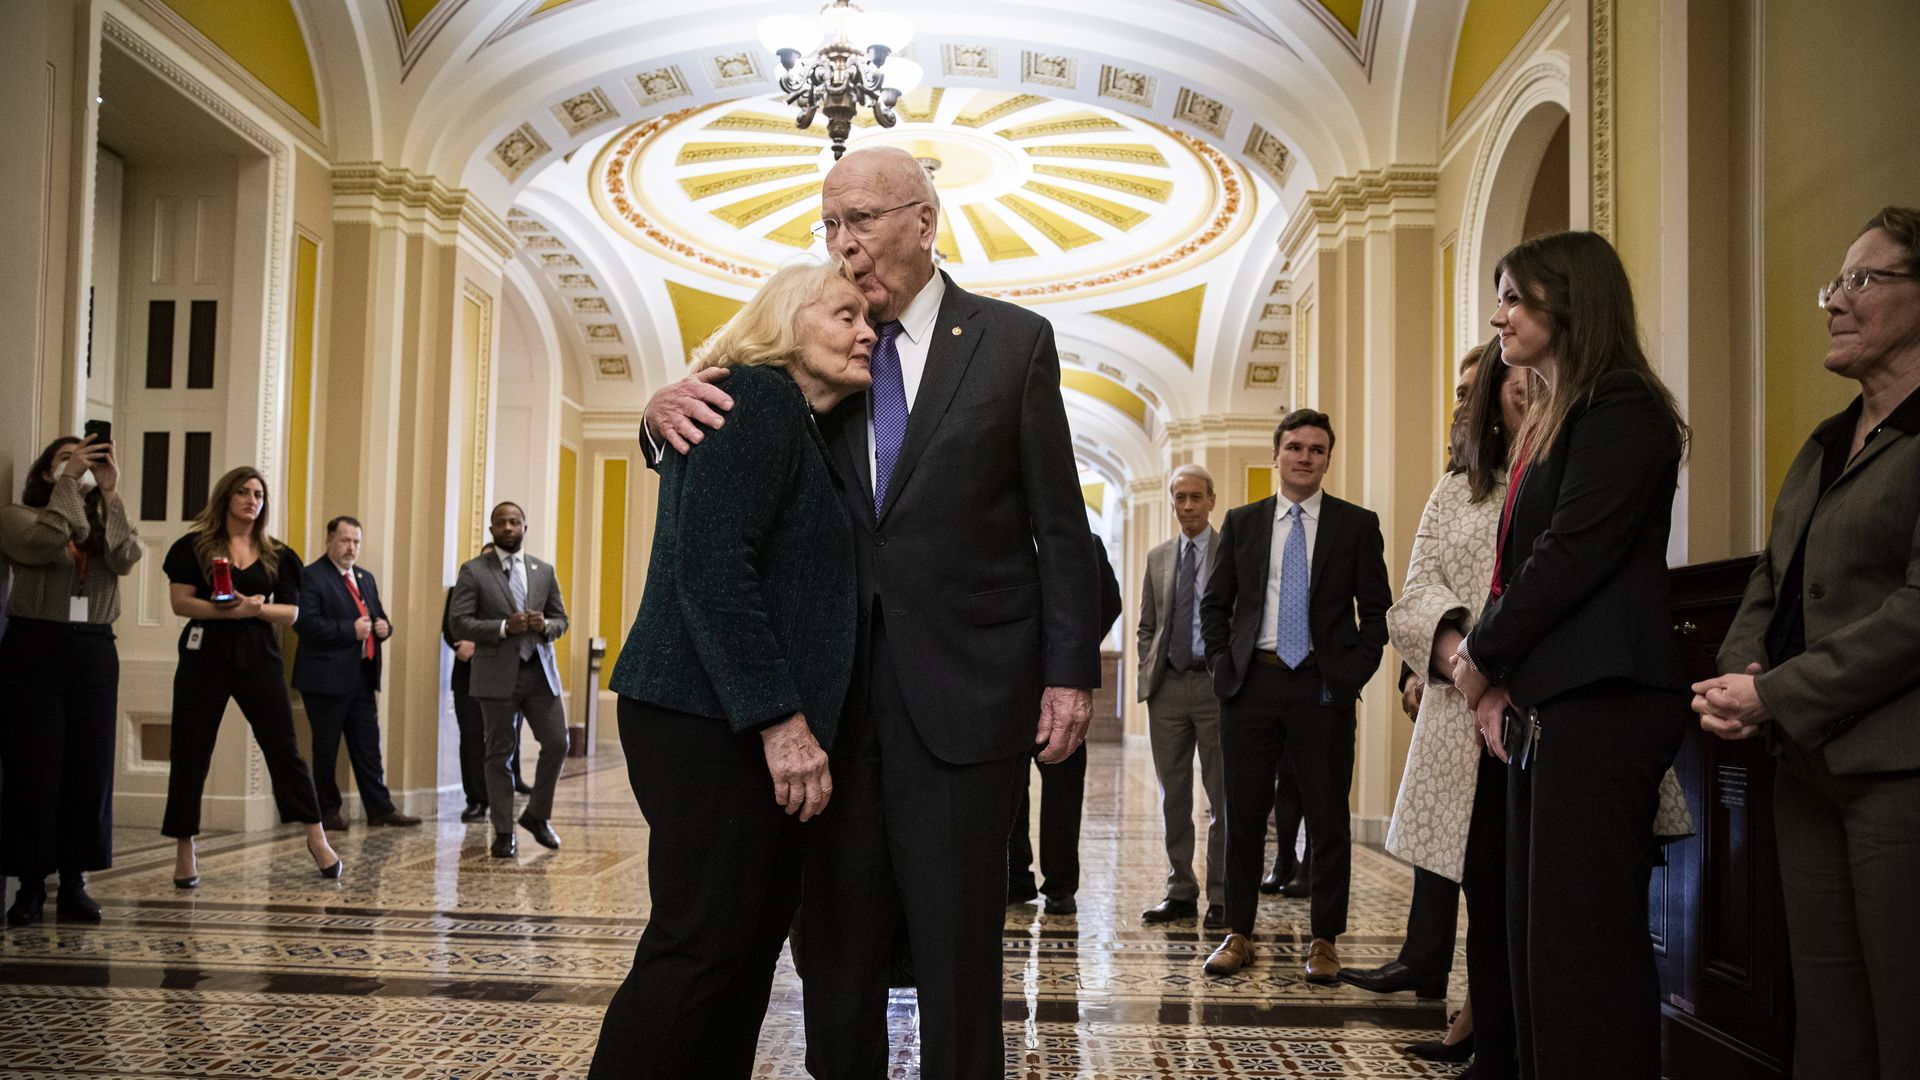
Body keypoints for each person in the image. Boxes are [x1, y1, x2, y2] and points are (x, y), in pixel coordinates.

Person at [641, 145, 1101, 1080]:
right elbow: (729, 434)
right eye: (830, 226)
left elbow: (1062, 525)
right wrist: (656, 417)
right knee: (835, 949)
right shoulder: (822, 347)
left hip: (967, 702)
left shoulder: (1013, 343)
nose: (843, 246)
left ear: (923, 222)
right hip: (831, 709)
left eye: (860, 222)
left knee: (959, 953)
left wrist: (1068, 672)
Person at [588, 260, 871, 1079]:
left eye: (870, 321)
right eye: (844, 314)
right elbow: (714, 568)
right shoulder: (756, 397)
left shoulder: (793, 418)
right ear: (786, 323)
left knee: (742, 954)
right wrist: (781, 723)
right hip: (709, 718)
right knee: (702, 947)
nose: (865, 333)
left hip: (731, 716)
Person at [1450, 230, 1690, 1080]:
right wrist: (1496, 681)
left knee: (1585, 948)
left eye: (1514, 296)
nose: (1499, 314)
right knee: (1539, 940)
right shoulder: (1554, 417)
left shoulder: (1620, 406)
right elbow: (1524, 562)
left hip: (1605, 702)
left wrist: (1478, 656)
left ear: (1570, 299)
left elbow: (1571, 555)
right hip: (1551, 706)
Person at [1696, 205, 1920, 1080]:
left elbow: (1913, 611)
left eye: (1863, 280)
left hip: (1898, 773)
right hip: (1805, 769)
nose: (1836, 301)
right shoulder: (1826, 443)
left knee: (1904, 1013)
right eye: (1836, 284)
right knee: (1827, 1018)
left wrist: (1780, 694)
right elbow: (1770, 579)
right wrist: (1735, 677)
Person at [1199, 409, 1392, 981]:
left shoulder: (1356, 525)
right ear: (1277, 454)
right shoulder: (1244, 522)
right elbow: (1216, 605)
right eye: (1295, 447)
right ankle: (1238, 933)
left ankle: (1325, 940)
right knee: (1244, 815)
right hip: (1252, 685)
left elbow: (1378, 611)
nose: (1305, 457)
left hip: (1321, 687)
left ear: (1327, 458)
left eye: (1316, 449)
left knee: (1329, 817)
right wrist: (1221, 670)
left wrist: (1350, 674)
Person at [1344, 344, 1495, 1012]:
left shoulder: (1543, 471)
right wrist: (1430, 659)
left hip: (1507, 688)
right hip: (1449, 683)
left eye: (1472, 390)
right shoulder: (1454, 483)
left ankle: (1482, 1006)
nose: (1461, 404)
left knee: (1492, 862)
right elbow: (1420, 582)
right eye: (1458, 391)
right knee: (1441, 836)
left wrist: (1481, 659)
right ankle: (1426, 963)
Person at [161, 467, 342, 886]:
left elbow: (292, 613)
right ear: (226, 497)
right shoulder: (194, 546)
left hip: (258, 654)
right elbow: (180, 603)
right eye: (242, 492)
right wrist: (228, 609)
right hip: (204, 653)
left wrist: (255, 609)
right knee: (191, 748)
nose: (251, 500)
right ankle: (185, 846)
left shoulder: (278, 553)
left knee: (284, 747)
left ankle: (316, 836)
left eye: (258, 494)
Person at [0, 434, 140, 926]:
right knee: (33, 766)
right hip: (35, 647)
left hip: (95, 648)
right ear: (46, 473)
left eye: (89, 458)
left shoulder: (103, 517)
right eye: (68, 459)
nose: (82, 466)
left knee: (90, 766)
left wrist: (110, 491)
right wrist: (68, 483)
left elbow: (125, 557)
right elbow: (43, 544)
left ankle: (75, 881)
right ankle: (31, 885)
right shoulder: (20, 516)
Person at [448, 502, 570, 858]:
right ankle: (503, 831)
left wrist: (545, 626)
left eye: (514, 521)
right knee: (499, 752)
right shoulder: (473, 571)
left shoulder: (543, 571)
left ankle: (537, 815)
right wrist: (503, 628)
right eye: (501, 522)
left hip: (538, 673)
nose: (508, 527)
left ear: (524, 527)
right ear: (492, 530)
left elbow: (561, 620)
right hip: (495, 676)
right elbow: (459, 623)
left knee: (557, 742)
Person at [1009, 536, 1122, 917]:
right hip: (1009, 688)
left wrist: (1073, 651)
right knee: (1009, 789)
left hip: (1062, 687)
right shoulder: (1001, 536)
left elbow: (1111, 601)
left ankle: (1060, 886)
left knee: (1063, 791)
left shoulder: (1085, 543)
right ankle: (1015, 879)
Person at [1136, 464, 1229, 929]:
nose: (1187, 506)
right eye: (1180, 498)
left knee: (1221, 797)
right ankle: (1179, 890)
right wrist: (1146, 674)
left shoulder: (1229, 551)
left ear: (1212, 500)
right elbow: (1147, 624)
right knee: (1174, 795)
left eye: (1196, 497)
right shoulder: (1157, 557)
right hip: (1168, 689)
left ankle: (1221, 894)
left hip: (1215, 689)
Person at [290, 516, 419, 831]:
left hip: (361, 676)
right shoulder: (312, 576)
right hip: (325, 679)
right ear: (330, 539)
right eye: (345, 541)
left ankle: (379, 808)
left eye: (356, 542)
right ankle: (327, 809)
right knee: (326, 747)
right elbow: (304, 623)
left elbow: (377, 617)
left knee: (368, 744)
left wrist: (384, 628)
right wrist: (349, 630)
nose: (351, 548)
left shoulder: (365, 577)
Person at [442, 546, 531, 824]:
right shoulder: (461, 587)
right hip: (468, 678)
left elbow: (523, 632)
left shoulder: (519, 590)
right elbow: (451, 629)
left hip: (506, 677)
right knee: (471, 738)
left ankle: (503, 795)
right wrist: (466, 642)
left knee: (504, 738)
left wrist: (479, 643)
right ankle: (476, 801)